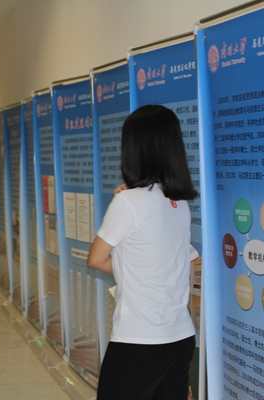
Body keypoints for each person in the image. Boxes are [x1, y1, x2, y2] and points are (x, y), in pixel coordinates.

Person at [87, 105, 197, 400]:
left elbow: (96, 259)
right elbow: (184, 264)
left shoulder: (127, 202)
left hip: (137, 340)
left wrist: (129, 269)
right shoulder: (180, 204)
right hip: (180, 337)